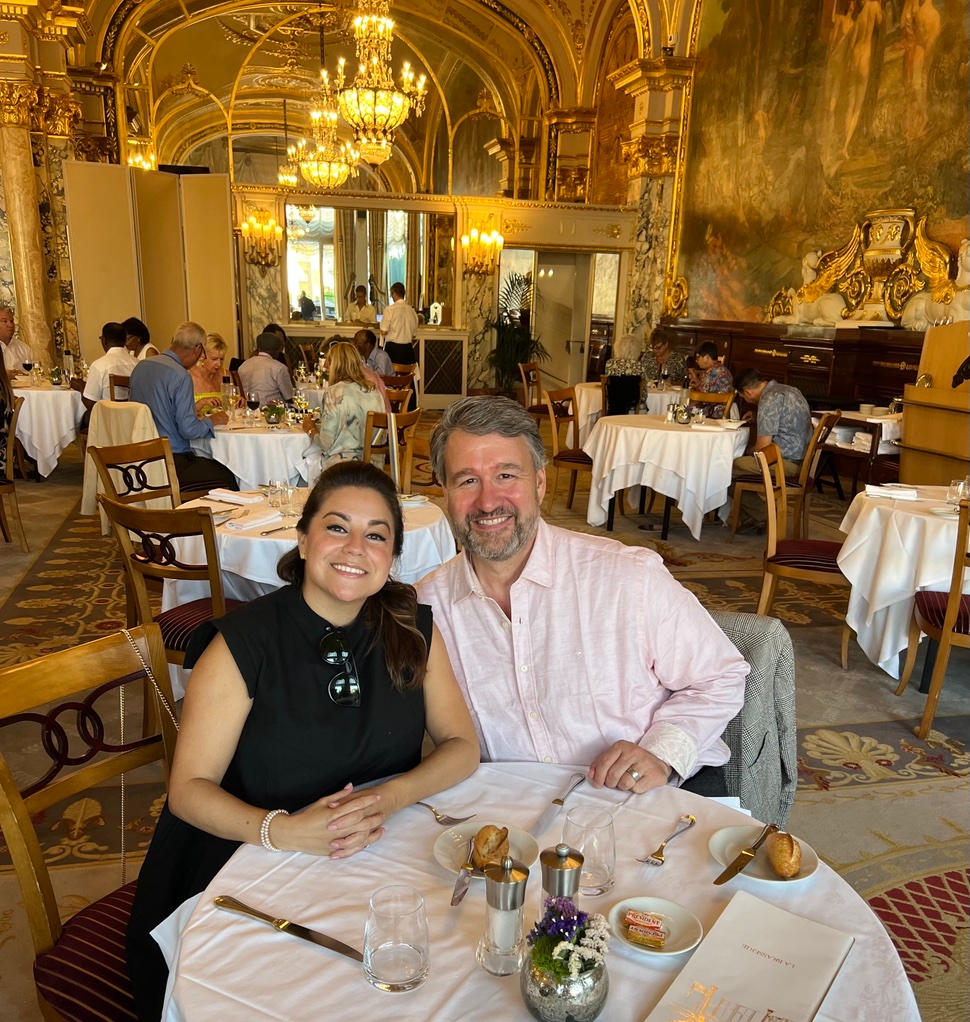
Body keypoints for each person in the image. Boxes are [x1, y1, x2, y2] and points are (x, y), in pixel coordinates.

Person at [126, 460, 479, 1020]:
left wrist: (389, 797)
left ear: (392, 558)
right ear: (303, 539)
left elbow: (462, 743)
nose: (355, 547)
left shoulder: (410, 627)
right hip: (243, 863)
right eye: (337, 527)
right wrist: (286, 831)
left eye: (377, 535)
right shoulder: (243, 643)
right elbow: (188, 791)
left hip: (369, 857)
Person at [416, 397, 748, 795]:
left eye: (506, 475)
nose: (488, 502)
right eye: (467, 480)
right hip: (511, 818)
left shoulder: (627, 577)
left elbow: (720, 675)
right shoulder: (425, 609)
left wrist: (660, 753)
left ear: (539, 483)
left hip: (641, 801)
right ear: (445, 492)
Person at [128, 321, 237, 491]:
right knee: (232, 472)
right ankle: (209, 516)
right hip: (171, 462)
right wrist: (213, 420)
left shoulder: (141, 367)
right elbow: (189, 430)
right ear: (198, 349)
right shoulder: (180, 375)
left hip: (139, 457)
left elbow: (160, 410)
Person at [731, 367, 813, 527]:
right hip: (802, 460)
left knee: (728, 467)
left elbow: (763, 449)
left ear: (747, 392)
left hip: (785, 463)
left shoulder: (768, 399)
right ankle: (755, 517)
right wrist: (758, 419)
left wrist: (746, 451)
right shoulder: (790, 390)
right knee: (736, 468)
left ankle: (763, 514)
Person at [301, 341, 385, 471]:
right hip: (373, 466)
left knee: (299, 468)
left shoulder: (334, 393)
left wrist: (311, 429)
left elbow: (325, 444)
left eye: (329, 360)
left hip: (342, 468)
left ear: (337, 364)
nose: (325, 365)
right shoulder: (373, 390)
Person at [79, 322, 137, 423]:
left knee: (82, 418)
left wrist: (80, 388)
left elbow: (91, 403)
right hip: (133, 419)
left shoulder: (99, 365)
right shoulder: (137, 363)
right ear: (124, 341)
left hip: (109, 421)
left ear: (104, 340)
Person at [237, 331, 294, 406]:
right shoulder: (279, 368)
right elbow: (289, 397)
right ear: (277, 351)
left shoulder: (243, 365)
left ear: (259, 348)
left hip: (248, 410)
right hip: (273, 411)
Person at [689, 341, 733, 419]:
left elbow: (701, 397)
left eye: (698, 357)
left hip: (711, 412)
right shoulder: (722, 369)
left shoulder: (710, 373)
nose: (696, 360)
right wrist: (697, 380)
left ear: (707, 357)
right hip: (722, 410)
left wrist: (687, 403)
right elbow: (709, 389)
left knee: (681, 410)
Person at [189, 333, 230, 416]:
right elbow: (181, 414)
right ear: (202, 356)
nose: (219, 364)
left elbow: (230, 407)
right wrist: (202, 402)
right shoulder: (188, 376)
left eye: (221, 359)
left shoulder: (225, 374)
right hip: (197, 426)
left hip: (222, 426)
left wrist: (238, 402)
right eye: (214, 359)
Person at [379, 281, 419, 367]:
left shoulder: (389, 310)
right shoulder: (412, 311)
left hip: (393, 349)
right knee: (407, 376)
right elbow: (414, 335)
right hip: (408, 350)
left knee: (391, 376)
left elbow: (383, 331)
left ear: (394, 294)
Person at [0, 306, 33, 374]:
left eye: (12, 321)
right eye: (4, 321)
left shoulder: (24, 349)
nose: (10, 325)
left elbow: (34, 375)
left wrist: (22, 374)